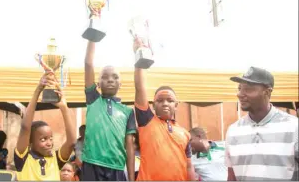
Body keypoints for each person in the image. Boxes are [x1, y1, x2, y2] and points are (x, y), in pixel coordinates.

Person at [132, 38, 196, 181]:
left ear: (176, 105)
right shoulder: (146, 121)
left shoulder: (185, 134)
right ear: (153, 105)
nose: (165, 103)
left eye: (170, 100)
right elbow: (139, 87)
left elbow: (189, 166)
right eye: (159, 101)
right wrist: (139, 55)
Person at [226, 67, 298, 181]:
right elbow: (232, 176)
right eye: (239, 88)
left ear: (267, 92)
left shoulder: (294, 127)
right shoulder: (233, 130)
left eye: (248, 89)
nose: (240, 94)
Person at [82, 40, 136, 181]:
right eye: (104, 77)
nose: (110, 80)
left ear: (121, 84)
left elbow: (130, 147)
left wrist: (131, 178)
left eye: (115, 77)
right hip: (91, 164)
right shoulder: (93, 99)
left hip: (116, 168)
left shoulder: (128, 112)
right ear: (98, 83)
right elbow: (88, 64)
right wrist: (93, 36)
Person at [14, 71, 76, 181]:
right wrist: (38, 90)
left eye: (50, 138)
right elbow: (25, 128)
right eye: (43, 139)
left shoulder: (55, 159)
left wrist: (64, 107)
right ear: (30, 142)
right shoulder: (23, 159)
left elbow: (71, 142)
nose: (49, 143)